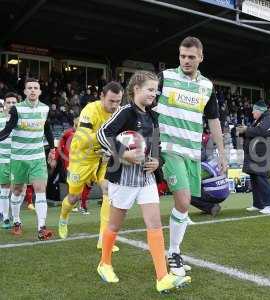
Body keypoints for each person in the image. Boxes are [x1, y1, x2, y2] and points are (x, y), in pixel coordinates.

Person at [96, 71, 191, 292]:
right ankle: (105, 263)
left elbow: (154, 145)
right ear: (136, 89)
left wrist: (156, 161)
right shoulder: (125, 112)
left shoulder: (151, 115)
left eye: (155, 90)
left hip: (146, 178)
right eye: (150, 89)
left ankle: (162, 277)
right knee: (114, 224)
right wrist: (123, 154)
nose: (154, 93)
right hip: (122, 177)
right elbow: (102, 134)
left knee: (155, 223)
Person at [153, 36, 227, 276]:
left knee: (183, 207)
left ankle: (174, 251)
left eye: (191, 57)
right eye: (182, 56)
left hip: (192, 153)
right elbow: (145, 105)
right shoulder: (165, 78)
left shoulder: (207, 86)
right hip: (169, 148)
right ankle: (173, 253)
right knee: (183, 201)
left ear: (201, 58)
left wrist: (222, 152)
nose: (186, 60)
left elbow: (214, 120)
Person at [58, 82, 122, 252]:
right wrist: (108, 139)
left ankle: (104, 239)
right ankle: (63, 217)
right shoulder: (90, 110)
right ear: (101, 97)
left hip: (102, 159)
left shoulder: (119, 112)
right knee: (74, 197)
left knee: (108, 190)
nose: (115, 106)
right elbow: (85, 139)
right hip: (82, 159)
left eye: (118, 101)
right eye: (111, 101)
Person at [0, 79, 55, 240]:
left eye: (35, 88)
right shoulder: (17, 109)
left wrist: (52, 148)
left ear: (39, 91)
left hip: (37, 158)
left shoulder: (45, 109)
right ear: (24, 91)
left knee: (40, 190)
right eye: (29, 88)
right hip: (18, 159)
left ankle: (42, 228)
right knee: (17, 191)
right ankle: (16, 221)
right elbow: (8, 129)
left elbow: (47, 129)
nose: (32, 90)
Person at [237, 100, 270, 214]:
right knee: (255, 178)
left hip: (266, 154)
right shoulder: (258, 121)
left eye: (254, 111)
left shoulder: (268, 119)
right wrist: (242, 132)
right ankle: (258, 204)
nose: (252, 113)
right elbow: (253, 133)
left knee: (263, 178)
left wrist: (246, 129)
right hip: (257, 154)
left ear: (260, 111)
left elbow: (261, 131)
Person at [54, 116, 92, 214]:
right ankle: (74, 204)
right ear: (74, 122)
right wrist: (55, 159)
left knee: (86, 184)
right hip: (70, 164)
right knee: (72, 184)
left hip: (84, 163)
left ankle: (82, 205)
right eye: (77, 122)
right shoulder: (67, 133)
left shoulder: (86, 133)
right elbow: (59, 146)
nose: (78, 124)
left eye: (80, 122)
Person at [0, 92, 18, 229]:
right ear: (4, 104)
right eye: (9, 102)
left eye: (14, 103)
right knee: (5, 190)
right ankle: (6, 217)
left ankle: (16, 216)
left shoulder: (21, 120)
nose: (11, 105)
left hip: (18, 160)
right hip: (3, 160)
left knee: (20, 189)